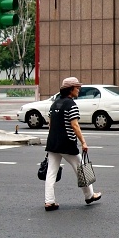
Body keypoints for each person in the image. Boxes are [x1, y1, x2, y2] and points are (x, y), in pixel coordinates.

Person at [43, 76, 100, 211]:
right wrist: (83, 143)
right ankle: (89, 195)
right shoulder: (71, 105)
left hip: (53, 143)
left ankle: (49, 201)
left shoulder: (54, 104)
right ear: (70, 89)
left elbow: (50, 125)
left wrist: (52, 140)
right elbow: (75, 125)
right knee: (80, 168)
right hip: (67, 143)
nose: (79, 90)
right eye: (77, 87)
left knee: (51, 172)